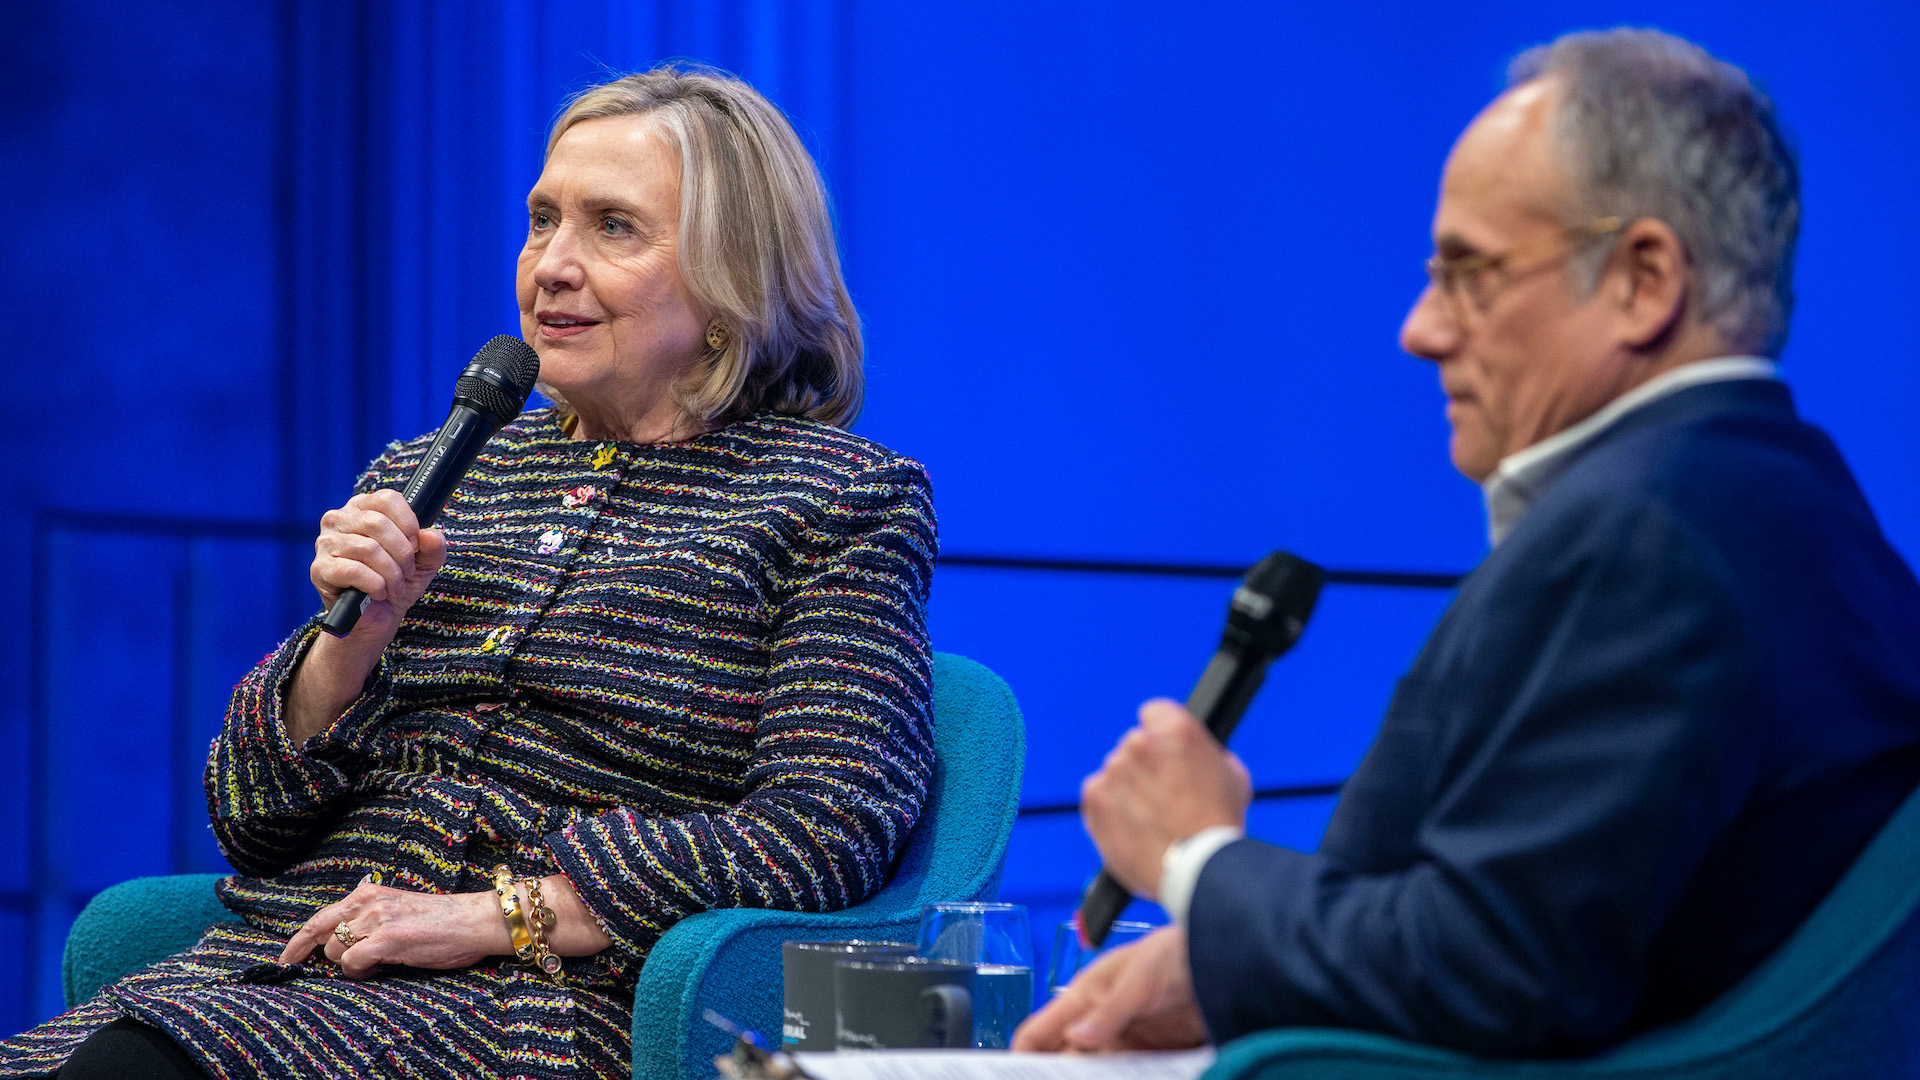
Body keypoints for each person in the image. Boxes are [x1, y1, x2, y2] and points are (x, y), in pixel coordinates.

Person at [0, 64, 937, 1080]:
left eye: (612, 227)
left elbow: (821, 832)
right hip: (277, 973)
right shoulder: (431, 472)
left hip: (536, 1008)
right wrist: (345, 651)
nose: (551, 266)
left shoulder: (838, 498)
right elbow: (249, 821)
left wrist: (500, 915)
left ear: (732, 280)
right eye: (543, 221)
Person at [1016, 28, 1920, 1059]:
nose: (1419, 328)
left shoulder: (1637, 542)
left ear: (1642, 279)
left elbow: (1497, 970)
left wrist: (1197, 857)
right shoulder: (1797, 514)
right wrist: (1221, 963)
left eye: (1468, 272)